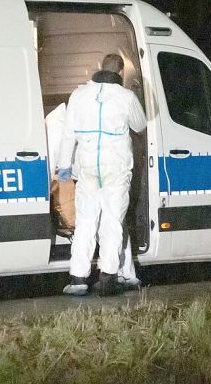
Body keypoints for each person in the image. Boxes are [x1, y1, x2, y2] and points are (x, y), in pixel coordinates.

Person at [56, 53, 146, 296]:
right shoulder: (125, 97)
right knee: (112, 223)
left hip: (87, 170)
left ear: (99, 68)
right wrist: (134, 95)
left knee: (85, 223)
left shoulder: (79, 95)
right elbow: (140, 124)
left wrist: (63, 165)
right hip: (115, 170)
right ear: (120, 72)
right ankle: (107, 278)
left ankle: (78, 279)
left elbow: (67, 134)